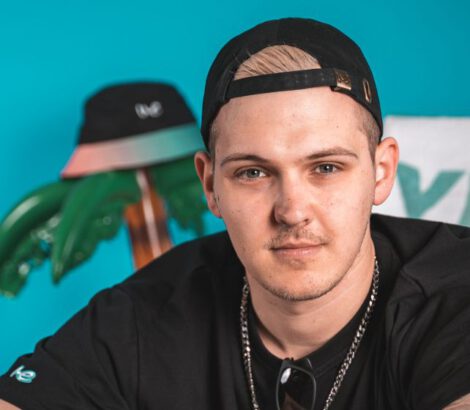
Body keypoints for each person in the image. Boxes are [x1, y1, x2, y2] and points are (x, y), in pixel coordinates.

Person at [1, 17, 469, 410]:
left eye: (326, 168)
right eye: (253, 173)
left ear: (382, 172)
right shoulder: (142, 316)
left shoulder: (454, 296)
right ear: (210, 186)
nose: (292, 211)